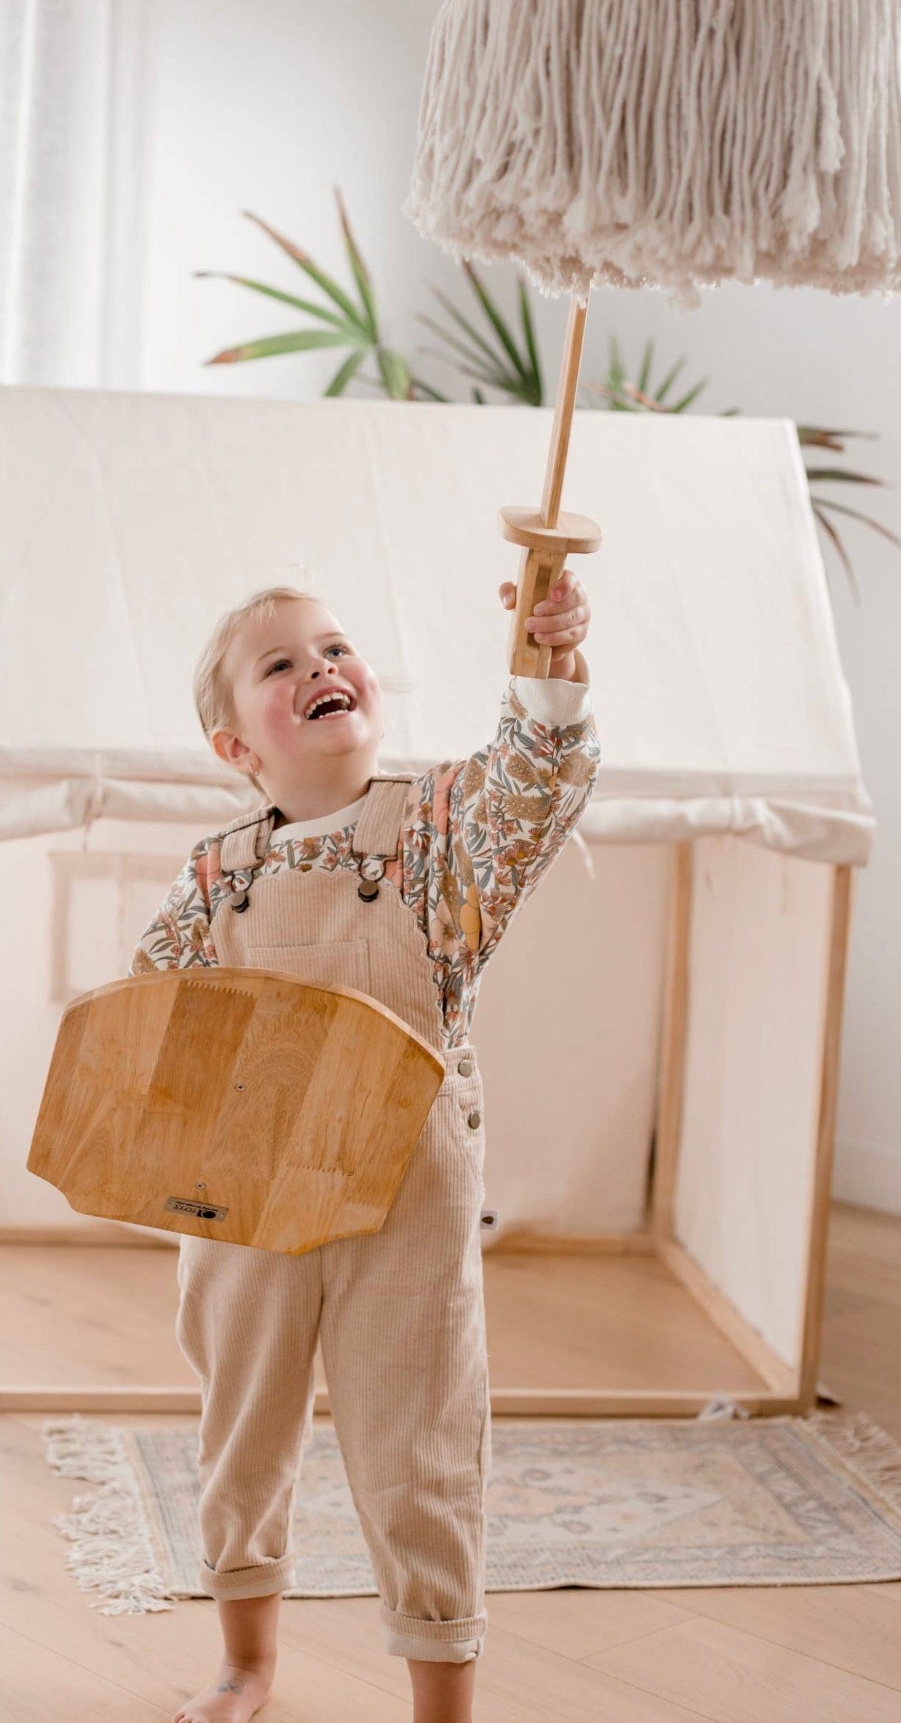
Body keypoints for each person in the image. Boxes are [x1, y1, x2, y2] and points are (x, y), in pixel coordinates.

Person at [129, 573, 599, 1723]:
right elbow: (155, 1021)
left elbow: (535, 784)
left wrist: (549, 663)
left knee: (422, 1443)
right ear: (237, 741)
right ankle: (246, 1661)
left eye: (334, 647)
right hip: (248, 1197)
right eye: (281, 663)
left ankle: (444, 1699)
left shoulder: (444, 827)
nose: (319, 667)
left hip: (409, 1192)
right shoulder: (214, 874)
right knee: (242, 1428)